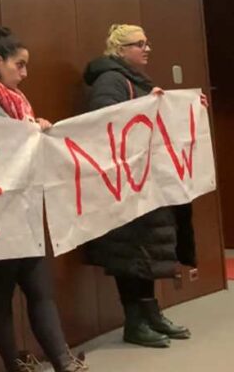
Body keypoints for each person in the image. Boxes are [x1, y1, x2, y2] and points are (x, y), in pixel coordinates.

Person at [0, 26, 87, 372]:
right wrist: (23, 133)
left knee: (41, 290)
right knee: (0, 296)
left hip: (23, 212)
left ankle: (62, 361)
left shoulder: (14, 101)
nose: (25, 74)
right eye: (19, 65)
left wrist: (36, 133)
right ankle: (16, 365)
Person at [83, 24, 197, 348]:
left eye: (147, 42)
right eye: (139, 44)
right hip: (125, 185)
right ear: (120, 51)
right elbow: (106, 123)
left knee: (145, 252)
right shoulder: (111, 81)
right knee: (130, 254)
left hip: (145, 182)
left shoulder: (134, 81)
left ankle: (151, 314)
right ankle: (135, 322)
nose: (147, 48)